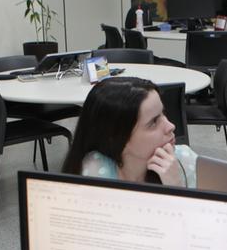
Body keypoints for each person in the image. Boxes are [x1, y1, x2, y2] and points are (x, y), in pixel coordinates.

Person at [61, 76, 197, 187]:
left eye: (163, 113)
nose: (171, 126)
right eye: (153, 122)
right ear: (115, 138)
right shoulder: (95, 174)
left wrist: (176, 187)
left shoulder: (186, 160)